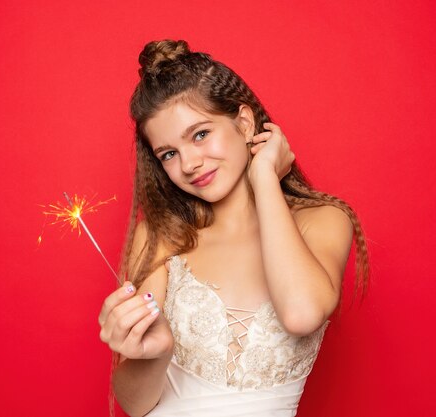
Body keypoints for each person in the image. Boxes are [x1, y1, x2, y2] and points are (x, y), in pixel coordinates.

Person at [98, 39, 370, 417]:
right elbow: (134, 404)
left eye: (200, 134)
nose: (190, 163)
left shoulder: (322, 220)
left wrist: (264, 179)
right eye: (170, 154)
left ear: (244, 123)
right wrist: (154, 354)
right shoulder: (163, 235)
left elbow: (302, 313)